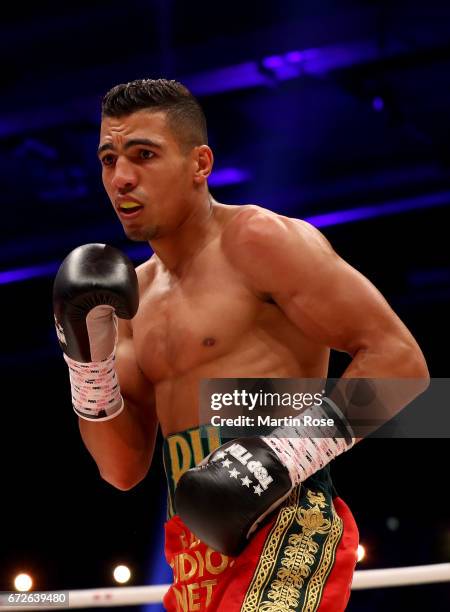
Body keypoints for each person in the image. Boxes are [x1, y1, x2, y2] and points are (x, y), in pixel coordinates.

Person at [53, 79, 429, 611]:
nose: (122, 177)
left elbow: (403, 364)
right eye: (109, 159)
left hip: (291, 522)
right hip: (192, 545)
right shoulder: (129, 300)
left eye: (143, 155)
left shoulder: (257, 241)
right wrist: (84, 361)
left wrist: (283, 454)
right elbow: (122, 469)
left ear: (199, 164)